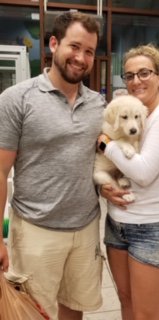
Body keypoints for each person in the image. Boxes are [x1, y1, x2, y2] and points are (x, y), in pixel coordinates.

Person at [0, 11, 106, 320]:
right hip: (36, 231)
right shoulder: (17, 98)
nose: (81, 57)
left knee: (74, 308)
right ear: (53, 44)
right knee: (32, 313)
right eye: (74, 46)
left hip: (86, 229)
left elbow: (95, 158)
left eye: (89, 51)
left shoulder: (98, 104)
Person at [98, 44, 159, 320]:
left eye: (144, 73)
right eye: (129, 76)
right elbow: (116, 169)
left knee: (146, 314)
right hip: (117, 223)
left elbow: (143, 171)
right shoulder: (132, 112)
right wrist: (104, 187)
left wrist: (105, 144)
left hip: (154, 229)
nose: (136, 81)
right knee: (126, 302)